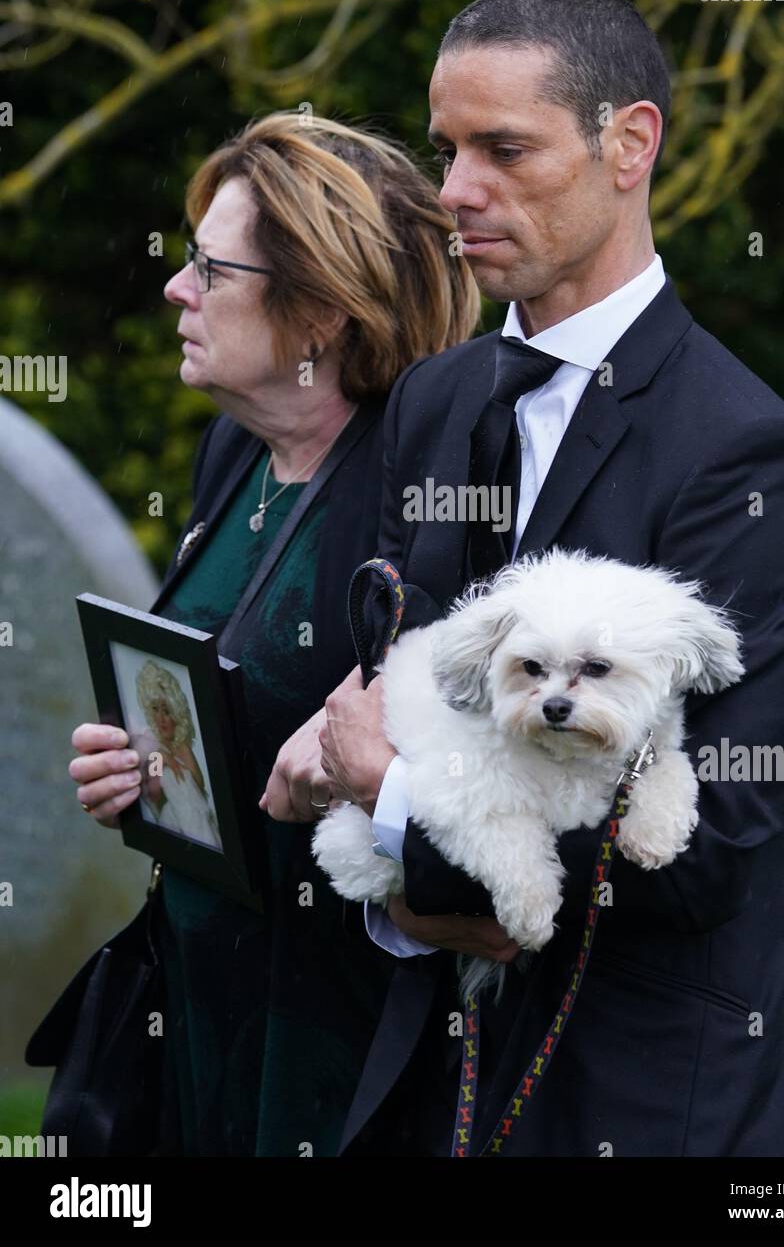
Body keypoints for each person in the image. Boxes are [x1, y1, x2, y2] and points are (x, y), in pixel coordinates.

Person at [266, 0, 784, 1157]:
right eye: (446, 150)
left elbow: (709, 848)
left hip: (650, 1093)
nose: (453, 193)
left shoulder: (750, 457)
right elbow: (388, 689)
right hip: (424, 1065)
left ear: (628, 143)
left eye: (503, 149)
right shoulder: (435, 398)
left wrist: (394, 804)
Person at [66, 110, 478, 1156]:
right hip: (205, 1007)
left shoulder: (419, 487)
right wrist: (140, 765)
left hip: (341, 1037)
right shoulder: (233, 454)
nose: (175, 287)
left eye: (213, 267)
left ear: (319, 315)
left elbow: (461, 765)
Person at [133, 659, 221, 849]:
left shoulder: (183, 748)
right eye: (156, 710)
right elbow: (153, 793)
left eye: (167, 710)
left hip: (199, 825)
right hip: (172, 826)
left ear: (176, 714)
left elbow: (200, 789)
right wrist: (161, 758)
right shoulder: (154, 750)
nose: (162, 718)